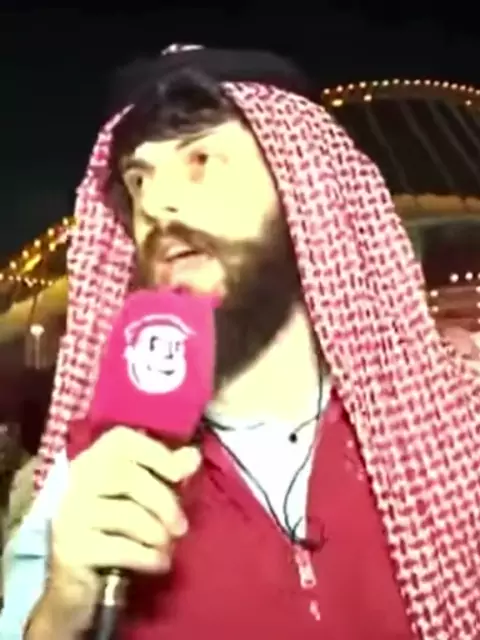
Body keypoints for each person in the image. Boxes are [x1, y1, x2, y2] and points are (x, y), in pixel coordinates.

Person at [1, 45, 480, 640]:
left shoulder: (456, 431)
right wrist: (63, 608)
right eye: (138, 179)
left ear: (302, 190)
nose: (156, 204)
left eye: (201, 158)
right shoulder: (87, 480)